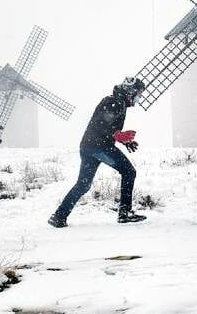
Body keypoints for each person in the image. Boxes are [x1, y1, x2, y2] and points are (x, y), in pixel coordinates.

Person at [49, 77, 148, 228]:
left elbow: (106, 127)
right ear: (131, 91)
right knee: (129, 172)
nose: (139, 97)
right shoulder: (115, 102)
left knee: (83, 185)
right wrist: (118, 135)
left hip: (88, 147)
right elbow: (101, 125)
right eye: (139, 93)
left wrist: (124, 140)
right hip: (99, 147)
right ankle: (125, 213)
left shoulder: (116, 102)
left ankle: (59, 216)